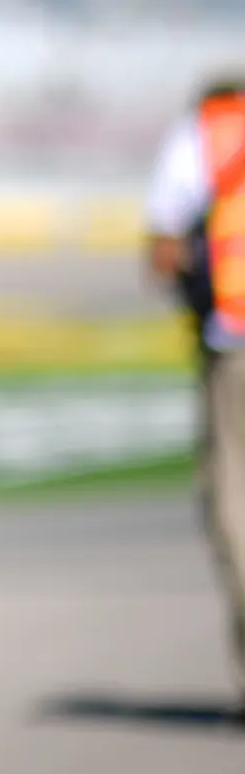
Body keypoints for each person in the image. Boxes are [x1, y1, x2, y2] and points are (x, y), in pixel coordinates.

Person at [144, 78, 245, 718]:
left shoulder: (202, 137)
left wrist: (190, 289)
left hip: (234, 344)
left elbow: (162, 249)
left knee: (235, 507)